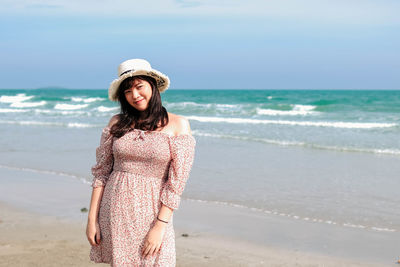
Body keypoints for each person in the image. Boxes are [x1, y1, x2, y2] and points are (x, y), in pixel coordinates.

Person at [86, 58, 196, 266]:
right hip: (115, 211)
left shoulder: (178, 125)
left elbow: (176, 184)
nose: (134, 95)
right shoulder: (117, 123)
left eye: (139, 86)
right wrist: (92, 220)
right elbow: (101, 173)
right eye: (127, 91)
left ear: (152, 85)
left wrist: (160, 225)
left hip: (153, 214)